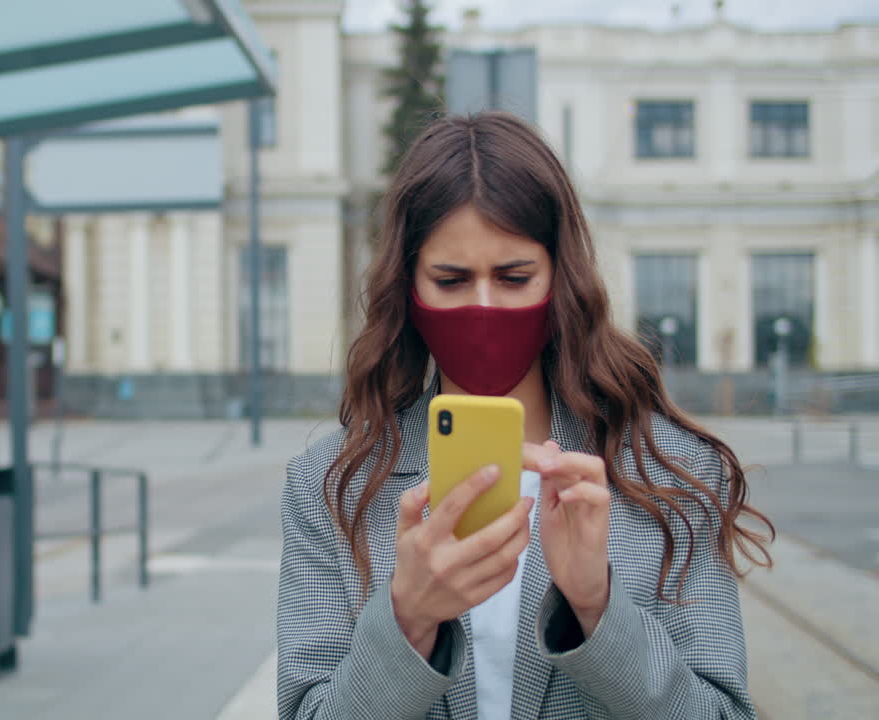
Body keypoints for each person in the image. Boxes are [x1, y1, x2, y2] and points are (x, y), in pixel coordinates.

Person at [276, 112, 774, 719]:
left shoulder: (670, 474)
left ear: (560, 280)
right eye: (452, 279)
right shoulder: (330, 487)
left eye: (514, 278)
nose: (484, 307)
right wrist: (407, 619)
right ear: (408, 288)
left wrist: (596, 607)